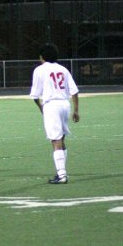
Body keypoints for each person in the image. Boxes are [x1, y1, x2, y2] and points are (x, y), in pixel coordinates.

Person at [29, 43, 79, 184]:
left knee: (55, 139)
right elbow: (74, 91)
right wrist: (76, 110)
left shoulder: (39, 70)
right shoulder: (63, 69)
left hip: (51, 105)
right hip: (65, 104)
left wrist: (41, 108)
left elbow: (34, 95)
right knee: (61, 139)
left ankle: (62, 175)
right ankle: (61, 172)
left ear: (42, 56)